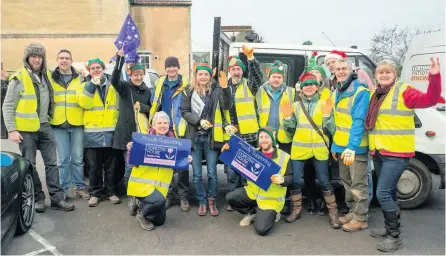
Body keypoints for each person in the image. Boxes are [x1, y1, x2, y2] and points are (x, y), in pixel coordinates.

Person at [365, 58, 442, 252]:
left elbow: (430, 99)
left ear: (394, 74)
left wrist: (434, 76)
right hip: (381, 151)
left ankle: (394, 237)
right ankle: (389, 227)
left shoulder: (403, 91)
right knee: (389, 192)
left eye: (387, 72)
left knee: (382, 192)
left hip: (397, 153)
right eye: (380, 73)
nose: (383, 75)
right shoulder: (377, 93)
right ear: (376, 76)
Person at [2, 42, 75, 212]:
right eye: (33, 56)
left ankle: (57, 198)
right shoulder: (18, 78)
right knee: (31, 165)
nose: (36, 59)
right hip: (26, 131)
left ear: (43, 58)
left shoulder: (47, 75)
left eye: (39, 56)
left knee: (52, 163)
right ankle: (38, 198)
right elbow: (7, 106)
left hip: (44, 126)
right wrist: (12, 130)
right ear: (27, 58)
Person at [281, 72, 341, 228]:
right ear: (301, 88)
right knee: (295, 181)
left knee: (323, 181)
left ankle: (333, 213)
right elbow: (290, 130)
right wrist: (287, 119)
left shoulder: (324, 103)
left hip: (319, 148)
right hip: (299, 148)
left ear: (317, 87)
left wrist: (328, 117)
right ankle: (296, 210)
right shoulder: (295, 106)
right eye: (305, 85)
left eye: (311, 84)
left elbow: (331, 130)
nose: (308, 87)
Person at [126, 111, 193, 230]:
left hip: (159, 189)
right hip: (141, 187)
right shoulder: (143, 141)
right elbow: (131, 164)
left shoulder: (175, 144)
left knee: (160, 221)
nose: (162, 125)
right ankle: (141, 214)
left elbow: (174, 171)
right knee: (159, 202)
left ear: (169, 125)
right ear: (153, 125)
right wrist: (131, 151)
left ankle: (139, 204)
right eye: (159, 123)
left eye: (165, 123)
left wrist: (185, 162)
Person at [181, 62, 232, 216]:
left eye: (206, 74)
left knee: (212, 173)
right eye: (200, 74)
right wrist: (198, 121)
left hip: (211, 138)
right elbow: (184, 111)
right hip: (195, 138)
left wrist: (225, 89)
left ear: (210, 76)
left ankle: (212, 200)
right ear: (196, 76)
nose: (203, 77)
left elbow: (227, 106)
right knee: (196, 175)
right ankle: (202, 201)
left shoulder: (216, 90)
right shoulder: (188, 90)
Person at [225, 127, 293, 236]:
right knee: (230, 197)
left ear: (272, 139)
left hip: (271, 201)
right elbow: (237, 163)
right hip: (253, 194)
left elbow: (291, 177)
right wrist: (228, 150)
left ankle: (274, 214)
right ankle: (252, 213)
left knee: (261, 229)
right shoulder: (253, 153)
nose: (263, 140)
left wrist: (283, 180)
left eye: (266, 137)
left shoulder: (283, 157)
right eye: (261, 137)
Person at [331, 58, 370, 232]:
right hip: (341, 146)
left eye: (344, 69)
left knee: (358, 183)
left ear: (350, 70)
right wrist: (335, 146)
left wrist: (351, 147)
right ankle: (353, 212)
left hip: (355, 147)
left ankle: (361, 218)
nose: (340, 72)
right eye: (338, 69)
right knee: (346, 182)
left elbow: (358, 121)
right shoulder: (337, 90)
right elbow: (337, 122)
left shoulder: (359, 91)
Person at [223, 45, 263, 211]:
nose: (236, 72)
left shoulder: (250, 85)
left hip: (249, 135)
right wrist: (226, 126)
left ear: (242, 71)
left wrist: (251, 58)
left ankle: (250, 198)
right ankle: (235, 200)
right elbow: (219, 111)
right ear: (230, 71)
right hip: (232, 136)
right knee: (232, 172)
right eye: (233, 69)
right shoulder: (223, 87)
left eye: (239, 69)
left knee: (248, 170)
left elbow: (258, 76)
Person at [77, 58, 121, 207]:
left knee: (111, 166)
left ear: (103, 69)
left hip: (110, 132)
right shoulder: (84, 86)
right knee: (94, 166)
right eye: (93, 68)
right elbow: (84, 103)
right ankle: (95, 193)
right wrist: (91, 86)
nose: (96, 70)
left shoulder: (113, 86)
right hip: (93, 133)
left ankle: (110, 191)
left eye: (98, 68)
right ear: (89, 71)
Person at [149, 56, 190, 211]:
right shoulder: (160, 82)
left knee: (182, 164)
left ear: (178, 68)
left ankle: (183, 197)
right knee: (165, 163)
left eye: (174, 66)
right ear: (165, 68)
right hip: (163, 128)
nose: (171, 69)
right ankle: (167, 196)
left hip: (181, 128)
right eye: (169, 67)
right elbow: (154, 102)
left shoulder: (185, 83)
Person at [50, 49, 89, 200]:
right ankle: (64, 189)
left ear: (71, 61)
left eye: (67, 58)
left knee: (78, 158)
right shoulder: (50, 77)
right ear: (57, 60)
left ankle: (79, 187)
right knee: (63, 160)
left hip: (77, 123)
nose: (64, 61)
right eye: (61, 58)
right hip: (58, 124)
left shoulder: (80, 78)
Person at [110, 49, 152, 189]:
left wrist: (144, 108)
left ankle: (140, 190)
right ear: (130, 75)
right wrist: (119, 61)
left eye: (141, 75)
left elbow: (152, 110)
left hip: (142, 134)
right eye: (135, 75)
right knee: (129, 165)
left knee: (142, 165)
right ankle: (131, 193)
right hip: (126, 133)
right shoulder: (124, 87)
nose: (138, 77)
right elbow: (114, 79)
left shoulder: (147, 91)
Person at [255, 60, 295, 154]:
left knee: (283, 165)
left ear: (283, 79)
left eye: (279, 77)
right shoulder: (259, 91)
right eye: (274, 77)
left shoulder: (291, 92)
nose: (276, 79)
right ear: (269, 77)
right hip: (265, 137)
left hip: (284, 136)